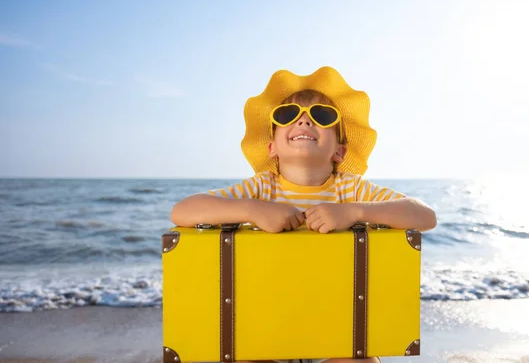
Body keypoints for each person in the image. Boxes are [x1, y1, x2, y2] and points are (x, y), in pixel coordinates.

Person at [171, 66, 436, 363]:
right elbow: (182, 211)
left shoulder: (350, 191)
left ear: (339, 152)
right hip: (264, 324)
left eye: (323, 116)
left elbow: (425, 216)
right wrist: (252, 208)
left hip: (339, 327)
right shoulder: (260, 189)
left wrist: (355, 211)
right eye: (287, 115)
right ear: (272, 147)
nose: (304, 119)